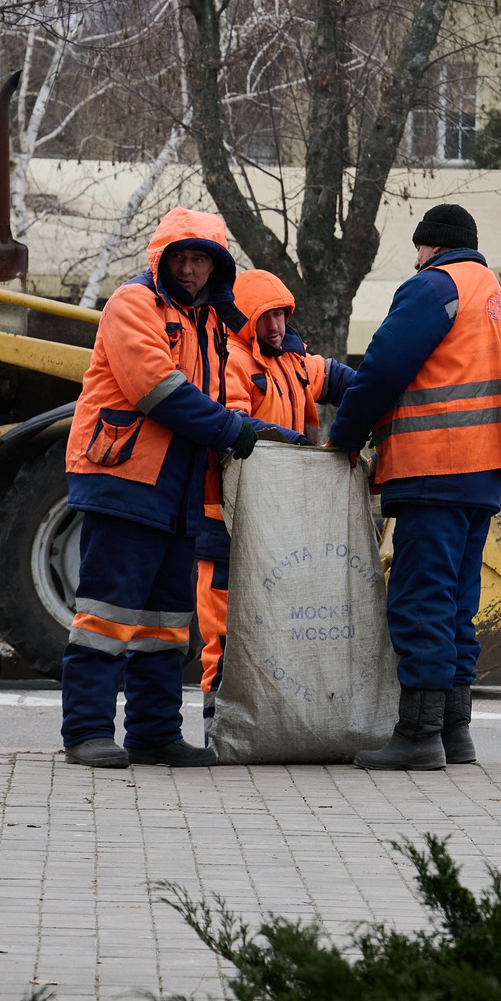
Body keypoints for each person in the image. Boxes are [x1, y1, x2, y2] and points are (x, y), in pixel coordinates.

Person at [61, 208, 280, 769]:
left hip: (177, 487)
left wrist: (249, 429)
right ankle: (86, 732)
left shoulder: (208, 320)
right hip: (125, 479)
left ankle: (154, 733)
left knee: (165, 622)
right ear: (161, 260)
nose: (189, 269)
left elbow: (214, 398)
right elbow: (157, 390)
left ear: (215, 265)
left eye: (199, 259)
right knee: (108, 612)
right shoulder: (133, 304)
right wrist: (233, 430)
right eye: (180, 258)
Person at [326, 203, 501, 770]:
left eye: (419, 248)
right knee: (458, 603)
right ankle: (455, 733)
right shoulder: (493, 295)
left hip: (435, 465)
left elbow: (383, 368)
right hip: (482, 472)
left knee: (421, 600)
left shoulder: (435, 287)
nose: (415, 259)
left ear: (433, 245)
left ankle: (417, 736)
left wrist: (345, 436)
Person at [193, 269, 358, 722]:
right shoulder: (231, 360)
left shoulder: (295, 360)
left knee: (278, 626)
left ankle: (269, 723)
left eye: (282, 315)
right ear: (246, 320)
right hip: (226, 520)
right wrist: (300, 446)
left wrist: (377, 398)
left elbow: (346, 382)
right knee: (224, 629)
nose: (276, 327)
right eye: (266, 317)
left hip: (281, 520)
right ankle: (220, 725)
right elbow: (238, 427)